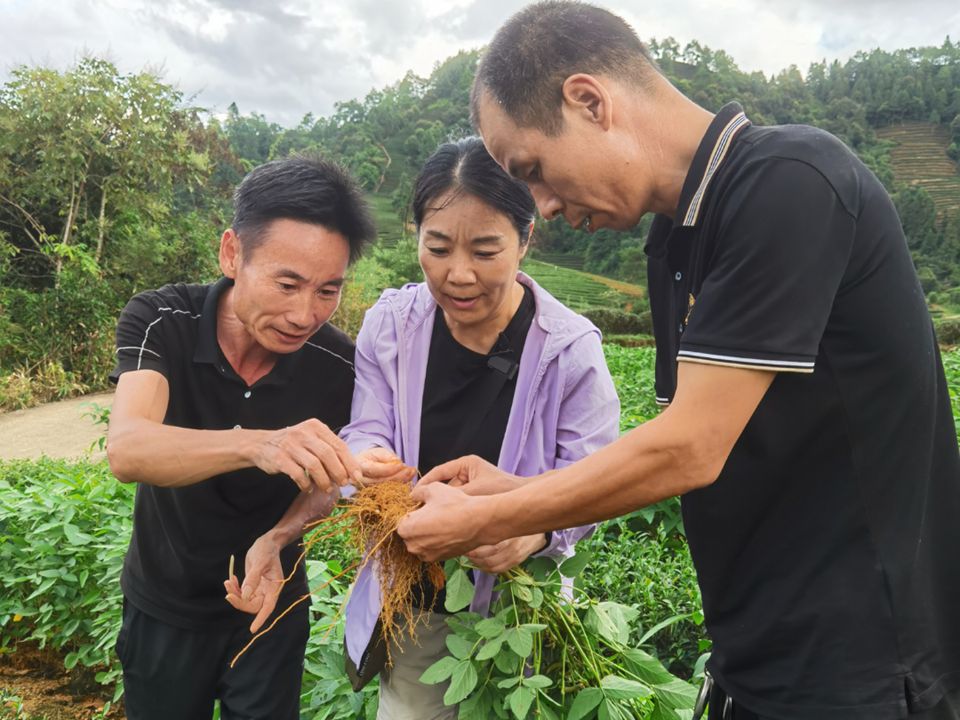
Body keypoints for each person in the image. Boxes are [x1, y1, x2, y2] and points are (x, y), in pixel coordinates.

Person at [397, 4, 960, 720]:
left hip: (863, 667)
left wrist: (494, 514)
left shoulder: (789, 181)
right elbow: (693, 438)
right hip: (759, 653)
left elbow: (691, 448)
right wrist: (508, 494)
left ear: (590, 101)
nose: (540, 204)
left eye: (533, 170)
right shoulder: (676, 241)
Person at [337, 136, 620, 720]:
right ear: (415, 234)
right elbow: (364, 426)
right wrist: (370, 465)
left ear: (526, 240)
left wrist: (534, 532)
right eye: (437, 247)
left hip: (519, 610)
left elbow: (597, 482)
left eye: (485, 251)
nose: (457, 274)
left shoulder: (570, 351)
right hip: (412, 600)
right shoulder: (391, 326)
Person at [106, 155, 376, 720]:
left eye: (328, 291)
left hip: (271, 606)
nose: (306, 314)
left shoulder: (340, 364)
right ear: (232, 253)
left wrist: (281, 535)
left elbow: (332, 479)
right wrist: (258, 443)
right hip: (165, 605)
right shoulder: (163, 319)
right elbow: (129, 448)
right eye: (287, 284)